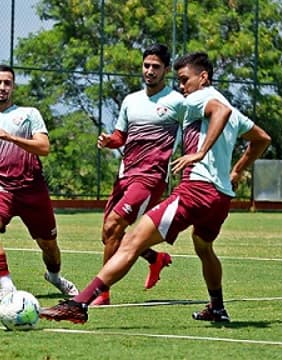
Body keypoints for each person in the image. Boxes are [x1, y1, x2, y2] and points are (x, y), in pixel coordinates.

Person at [39, 51, 271, 324]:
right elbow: (262, 139)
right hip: (219, 198)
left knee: (131, 242)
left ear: (203, 77)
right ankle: (217, 307)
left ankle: (79, 304)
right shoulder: (226, 103)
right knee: (203, 247)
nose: (182, 87)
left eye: (185, 80)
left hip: (196, 190)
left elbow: (221, 112)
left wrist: (199, 153)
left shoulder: (200, 98)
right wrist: (236, 170)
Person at [0, 65, 79, 303]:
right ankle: (6, 286)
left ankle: (54, 276)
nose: (2, 87)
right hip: (2, 190)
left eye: (7, 83)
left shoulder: (29, 114)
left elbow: (44, 148)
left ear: (13, 86)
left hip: (33, 191)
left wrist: (11, 137)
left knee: (49, 246)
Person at [92, 44, 184, 306]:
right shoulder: (130, 100)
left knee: (114, 226)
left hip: (151, 177)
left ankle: (102, 293)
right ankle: (156, 259)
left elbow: (194, 130)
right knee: (109, 235)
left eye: (156, 67)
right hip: (125, 174)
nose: (150, 71)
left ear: (166, 70)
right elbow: (121, 136)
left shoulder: (177, 101)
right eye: (146, 66)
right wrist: (110, 140)